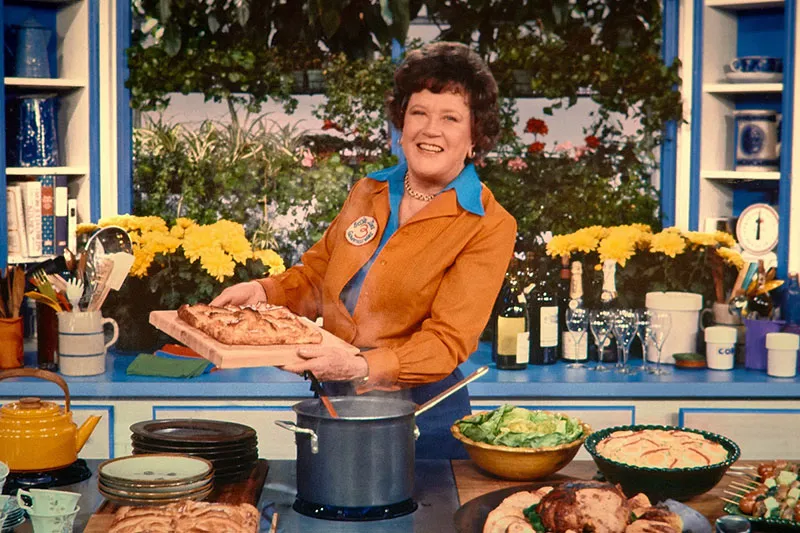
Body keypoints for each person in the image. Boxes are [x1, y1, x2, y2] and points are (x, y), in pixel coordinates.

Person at [212, 41, 517, 459]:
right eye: (419, 113)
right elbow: (318, 276)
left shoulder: (488, 223)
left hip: (420, 419)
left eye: (450, 118)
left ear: (474, 137)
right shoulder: (368, 190)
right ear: (401, 124)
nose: (431, 129)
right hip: (333, 399)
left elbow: (447, 342)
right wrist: (265, 292)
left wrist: (362, 368)